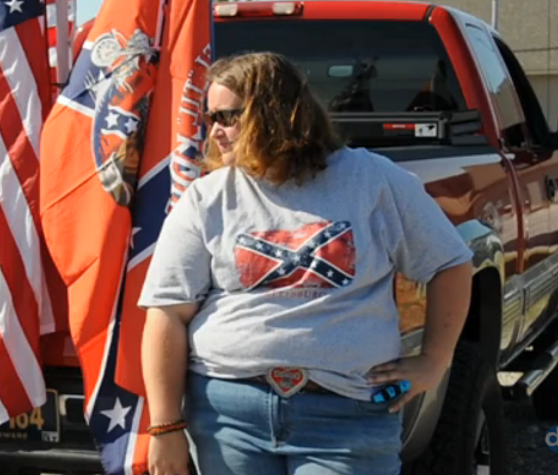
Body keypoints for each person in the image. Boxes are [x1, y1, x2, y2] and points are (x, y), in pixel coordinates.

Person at [138, 52, 474, 475]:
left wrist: (434, 361)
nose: (215, 132)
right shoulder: (206, 197)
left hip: (347, 417)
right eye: (210, 118)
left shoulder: (373, 180)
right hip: (228, 416)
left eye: (228, 116)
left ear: (276, 112)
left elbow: (451, 263)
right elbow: (167, 313)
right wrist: (165, 425)